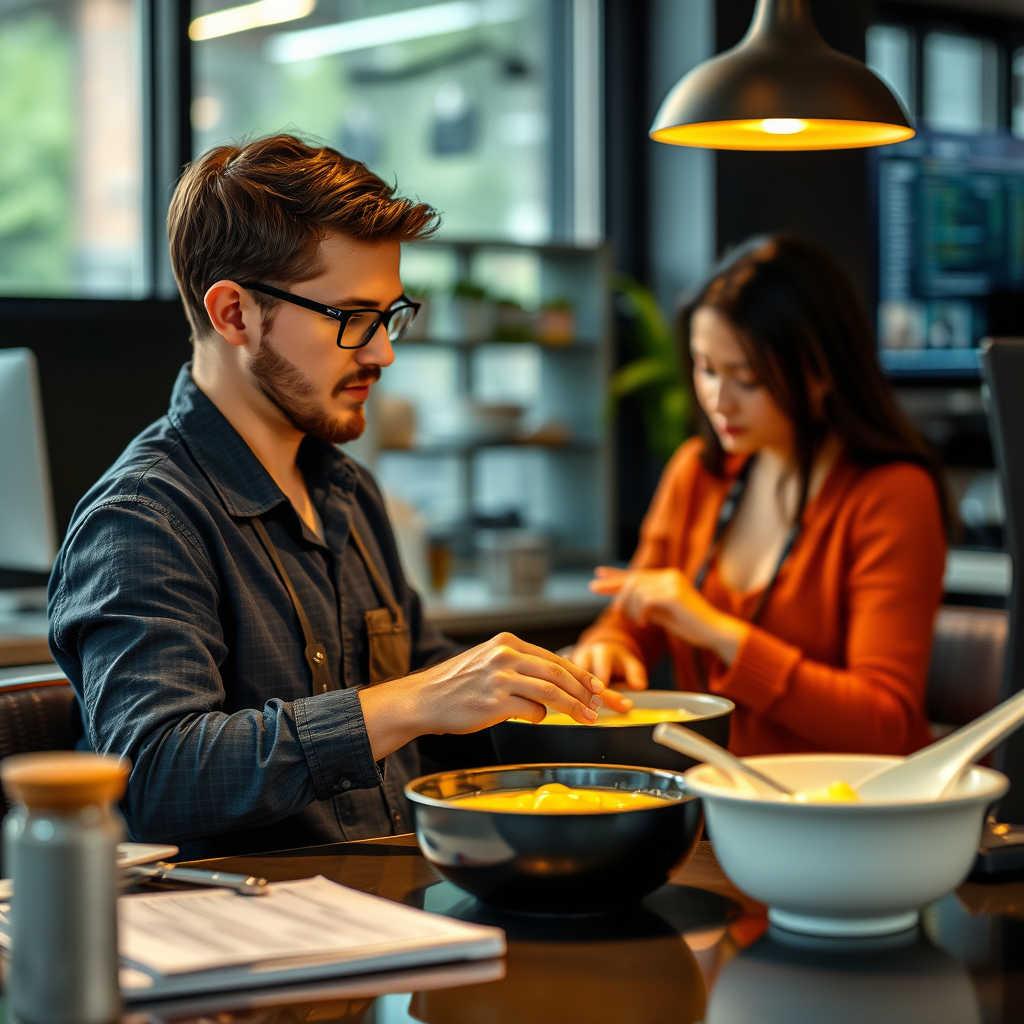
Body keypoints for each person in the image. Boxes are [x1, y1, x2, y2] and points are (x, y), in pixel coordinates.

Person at [47, 135, 614, 859]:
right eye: (352, 318)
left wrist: (557, 685)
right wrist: (413, 702)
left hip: (398, 898)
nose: (383, 352)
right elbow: (155, 778)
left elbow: (430, 682)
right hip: (252, 922)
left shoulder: (348, 491)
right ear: (234, 314)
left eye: (390, 315)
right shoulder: (144, 519)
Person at [572, 236, 948, 756]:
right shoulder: (696, 473)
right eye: (706, 369)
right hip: (716, 792)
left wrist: (717, 631)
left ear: (821, 371)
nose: (718, 401)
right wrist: (608, 645)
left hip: (847, 799)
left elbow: (884, 723)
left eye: (746, 379)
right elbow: (630, 619)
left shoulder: (892, 493)